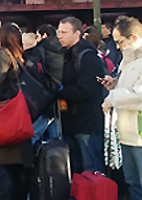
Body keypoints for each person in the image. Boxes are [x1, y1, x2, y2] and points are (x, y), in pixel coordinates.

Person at [101, 16, 142, 200]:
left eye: (120, 41)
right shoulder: (128, 61)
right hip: (129, 130)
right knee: (134, 182)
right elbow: (134, 91)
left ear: (134, 38)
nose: (117, 46)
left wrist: (112, 97)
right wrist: (115, 86)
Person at [0, 24, 35, 198]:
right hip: (18, 115)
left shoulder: (4, 55)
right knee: (18, 171)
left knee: (2, 171)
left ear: (2, 38)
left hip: (3, 114)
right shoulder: (21, 56)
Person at [56, 16, 107, 173]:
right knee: (79, 170)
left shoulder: (87, 57)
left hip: (87, 123)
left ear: (77, 33)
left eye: (64, 32)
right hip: (74, 122)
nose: (59, 36)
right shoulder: (70, 55)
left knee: (91, 171)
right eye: (59, 32)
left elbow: (86, 90)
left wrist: (59, 91)